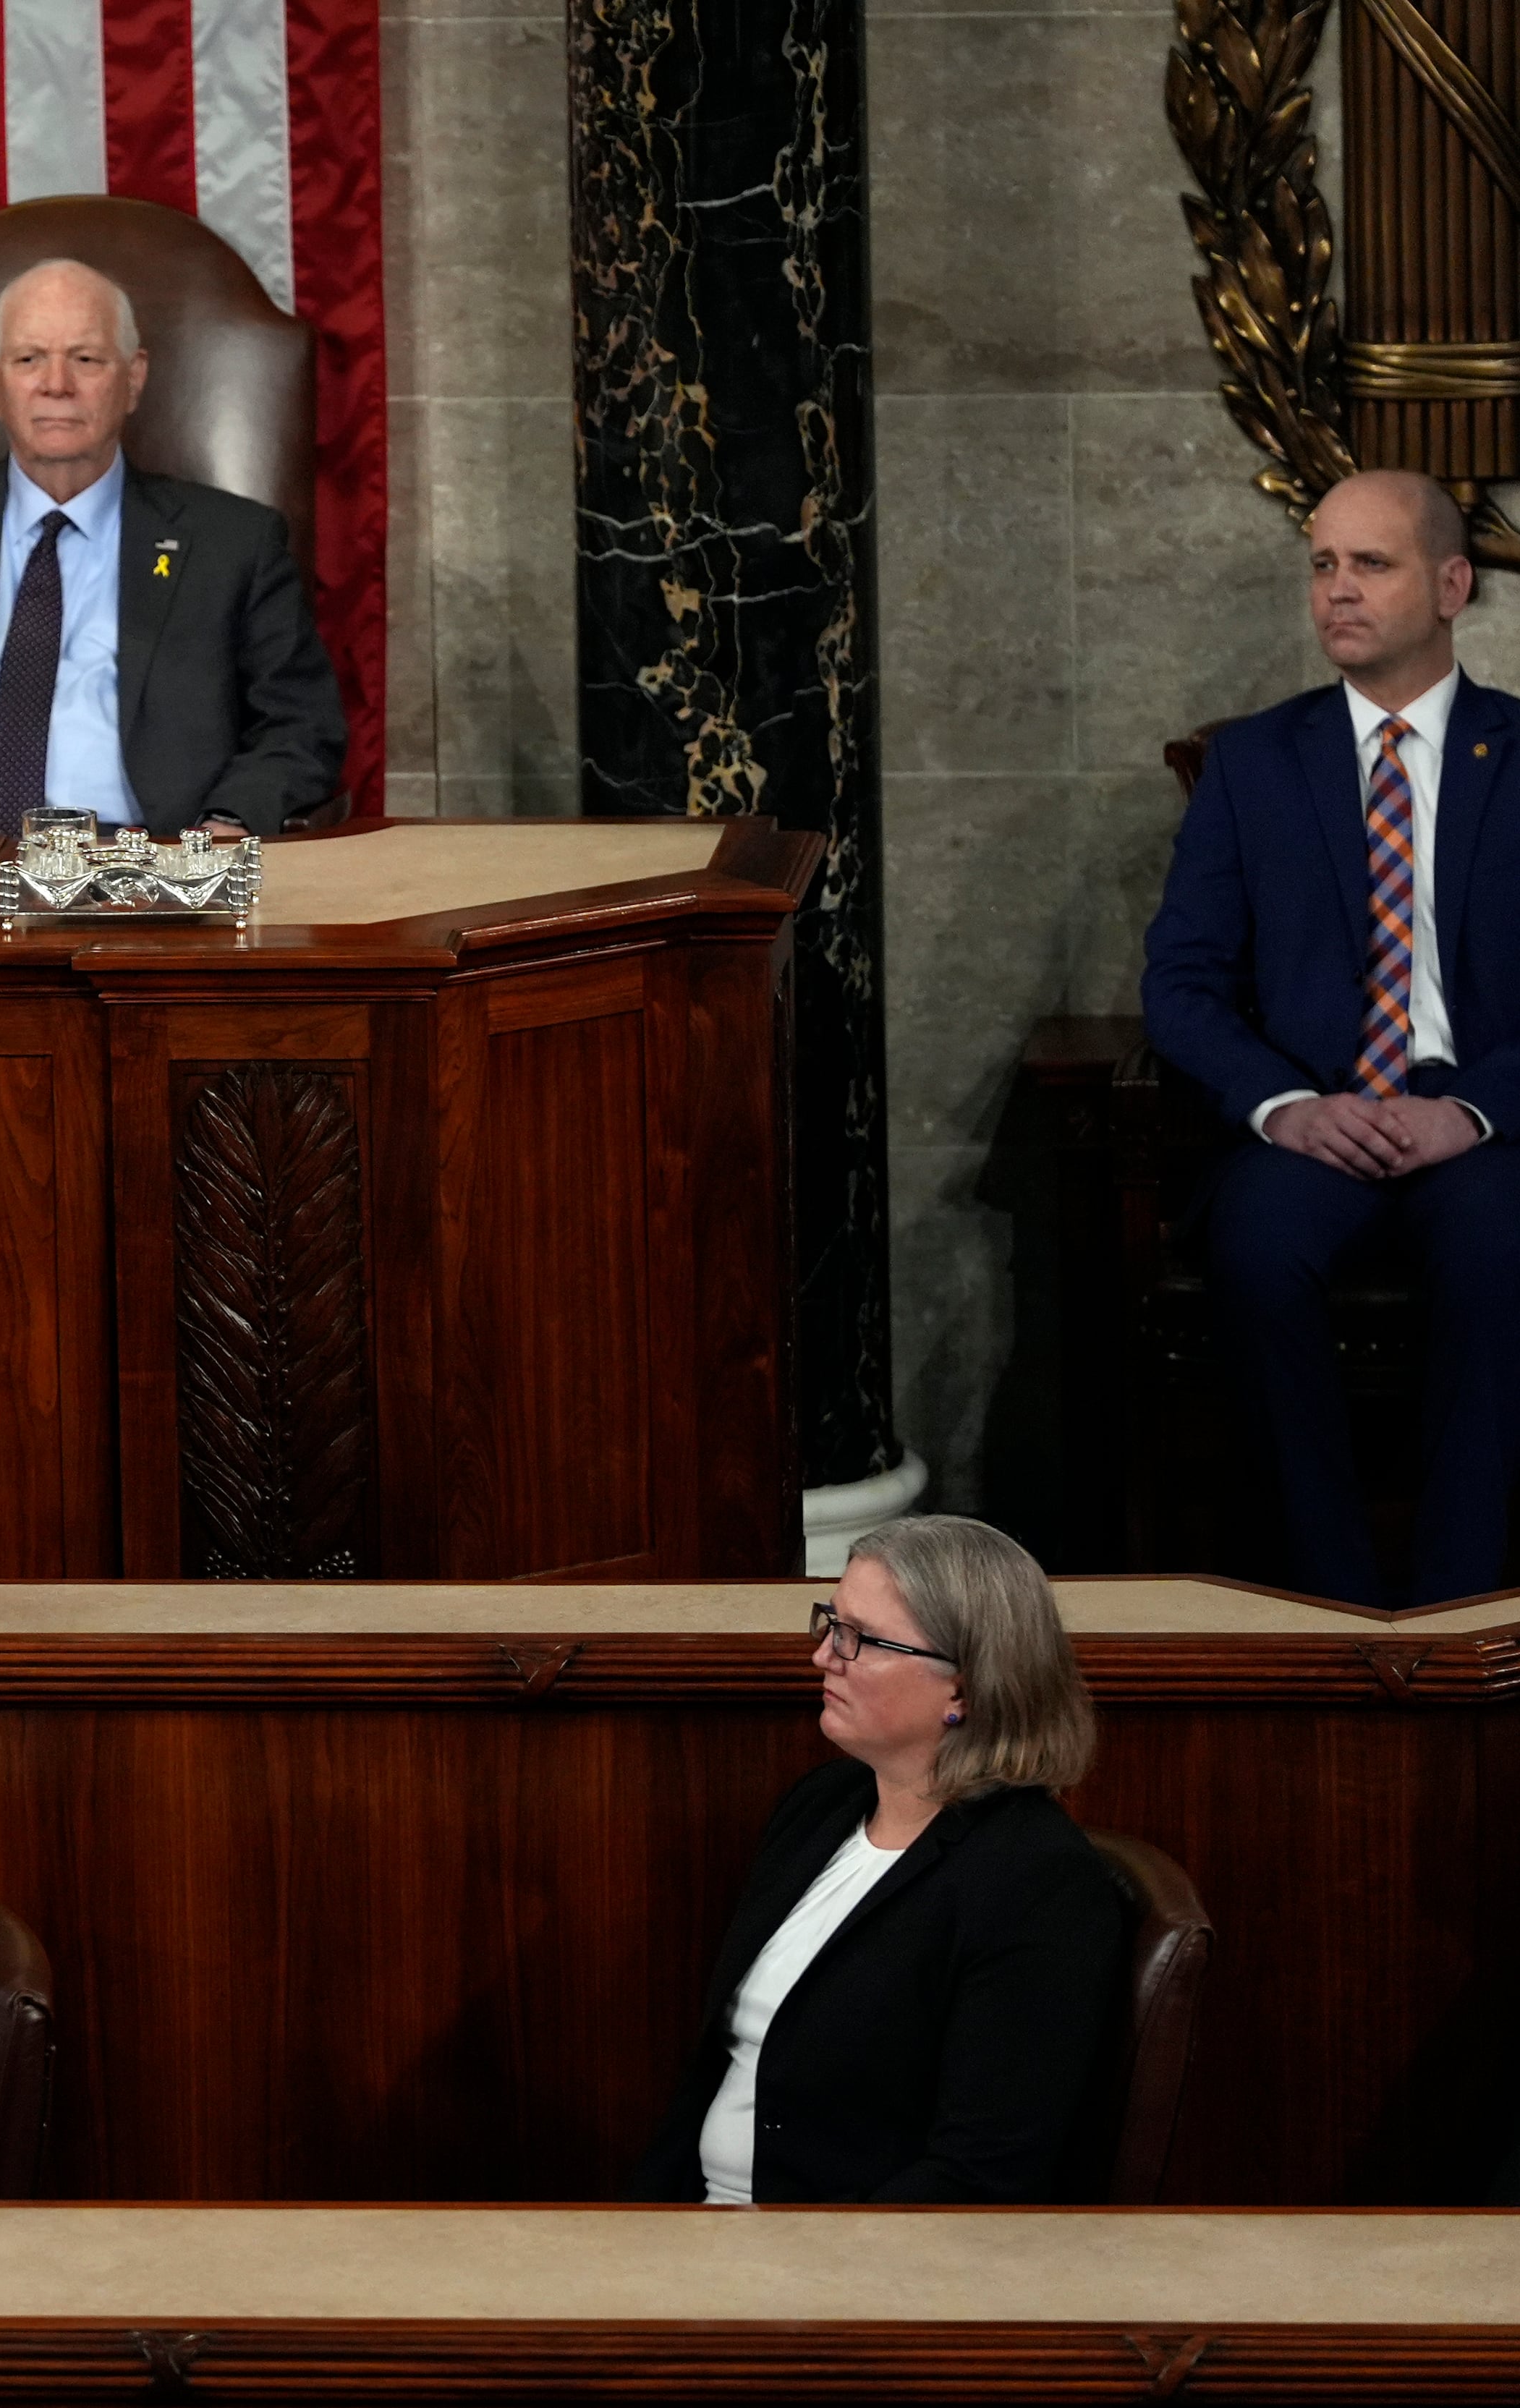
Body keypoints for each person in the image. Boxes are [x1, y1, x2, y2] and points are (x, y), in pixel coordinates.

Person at [1142, 468, 1520, 1607]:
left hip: (1482, 1126)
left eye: (1372, 564)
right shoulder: (1254, 762)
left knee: (1505, 1256)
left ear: (1452, 585)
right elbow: (1183, 983)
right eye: (1322, 565)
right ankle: (1334, 1607)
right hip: (1312, 1116)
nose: (1337, 592)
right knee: (1258, 1252)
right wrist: (1286, 1108)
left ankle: (1456, 1612)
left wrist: (1469, 1111)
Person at [629, 1516, 1127, 2205]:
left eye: (859, 1638)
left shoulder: (1037, 1883)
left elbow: (980, 2174)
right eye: (831, 1622)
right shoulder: (822, 1806)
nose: (824, 1656)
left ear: (965, 1689)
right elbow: (713, 2076)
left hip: (846, 2274)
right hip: (705, 2230)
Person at [0, 258, 347, 841]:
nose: (57, 383)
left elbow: (299, 726)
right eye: (29, 359)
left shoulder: (233, 542)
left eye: (86, 358)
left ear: (134, 378)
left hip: (152, 865)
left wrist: (224, 829)